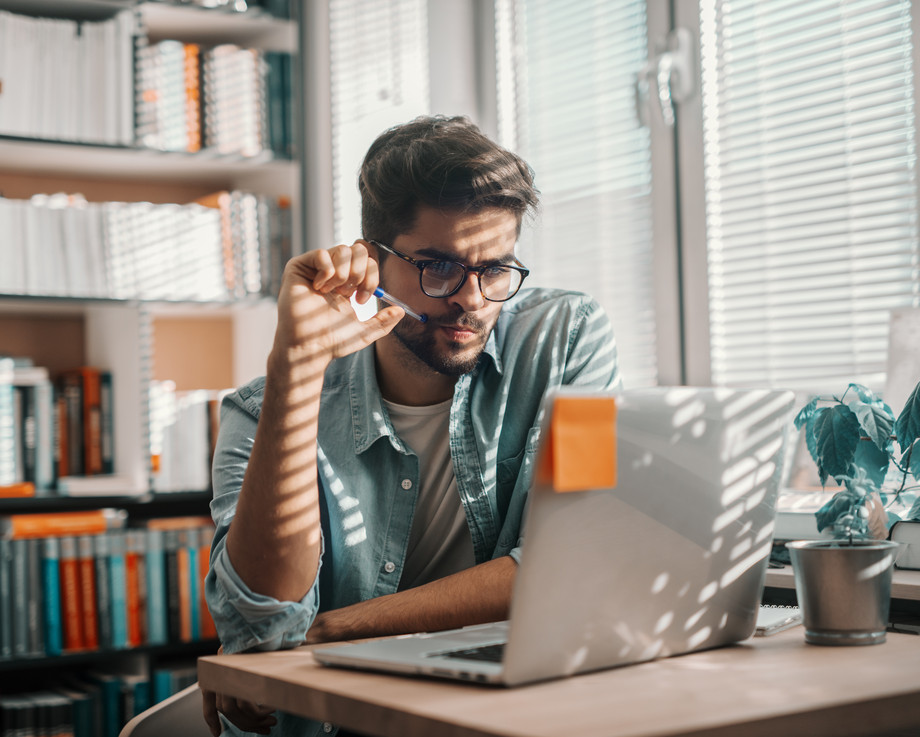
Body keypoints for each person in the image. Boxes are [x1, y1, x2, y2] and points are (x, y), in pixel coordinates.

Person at [201, 115, 621, 736]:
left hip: (500, 713)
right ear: (372, 263)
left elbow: (565, 565)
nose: (472, 300)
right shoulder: (260, 410)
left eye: (496, 267)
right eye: (439, 267)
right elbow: (262, 624)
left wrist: (332, 630)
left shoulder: (566, 339)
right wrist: (297, 365)